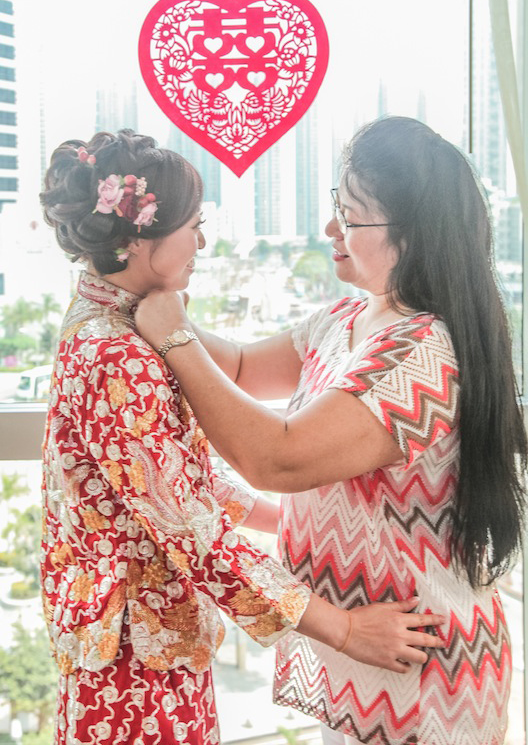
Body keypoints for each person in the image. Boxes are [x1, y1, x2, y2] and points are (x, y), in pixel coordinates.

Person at [39, 128, 444, 745]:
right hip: (133, 659)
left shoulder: (112, 323)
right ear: (137, 238)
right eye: (194, 225)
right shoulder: (117, 353)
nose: (202, 242)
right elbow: (191, 529)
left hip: (142, 640)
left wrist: (292, 525)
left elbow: (178, 483)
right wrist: (343, 629)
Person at [134, 116, 527, 745]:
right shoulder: (346, 319)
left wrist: (174, 335)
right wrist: (142, 304)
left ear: (412, 233)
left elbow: (278, 459)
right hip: (367, 654)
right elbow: (239, 367)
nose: (330, 229)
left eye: (350, 215)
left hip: (424, 670)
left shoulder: (421, 352)